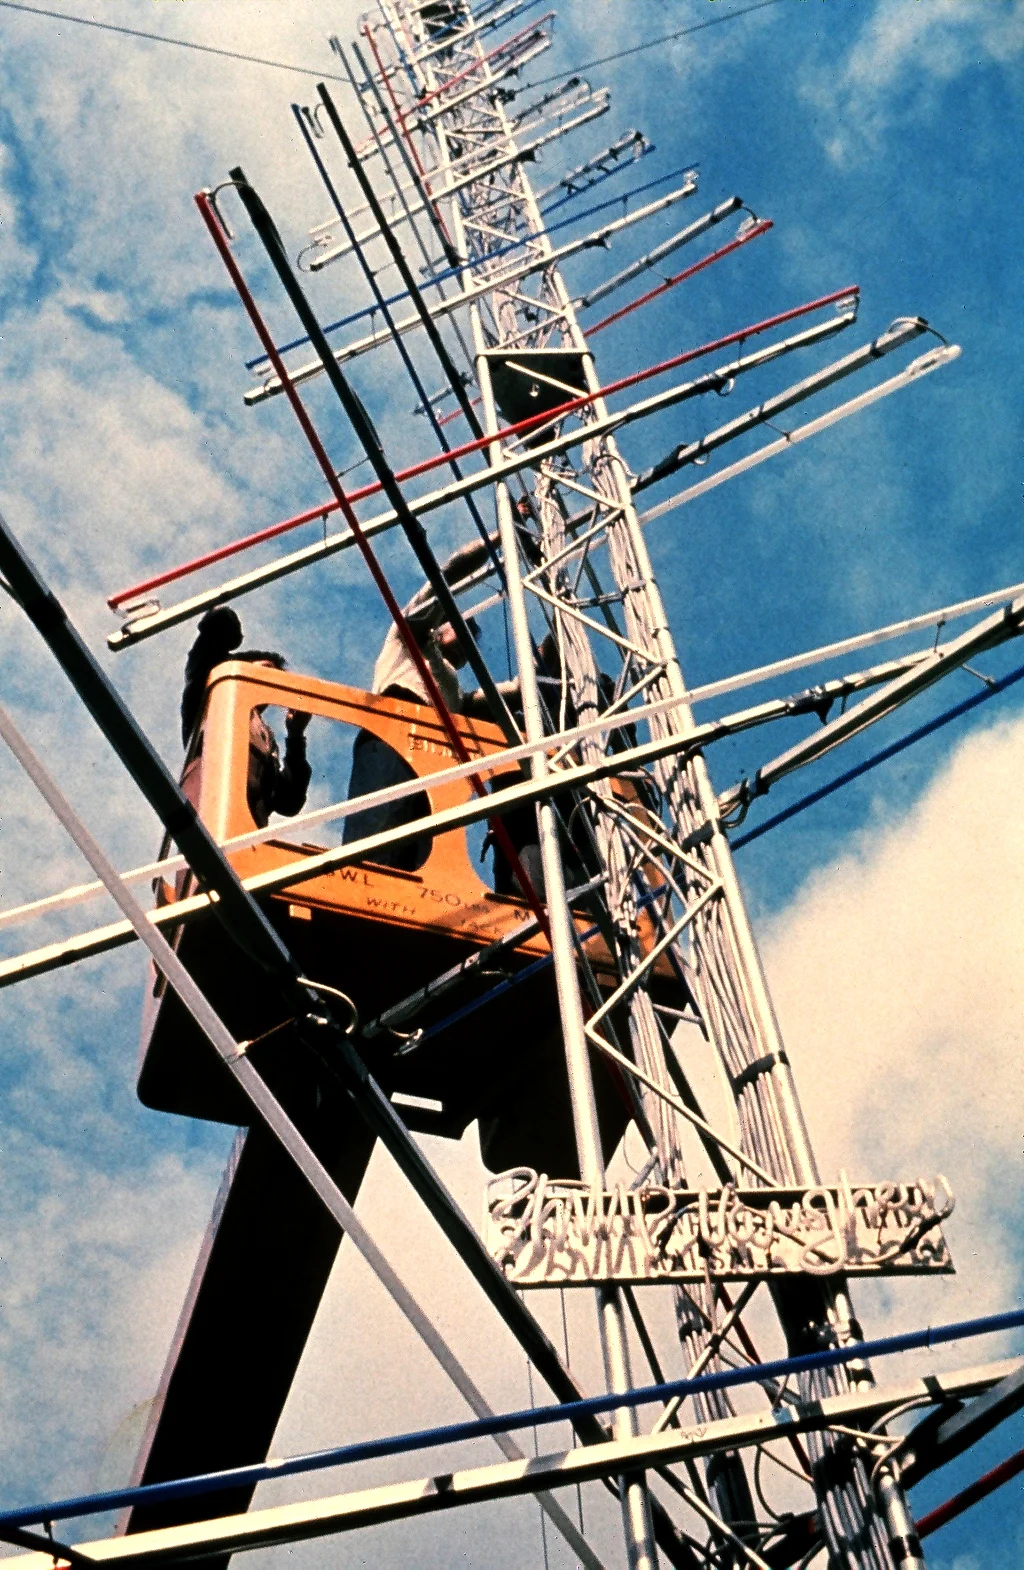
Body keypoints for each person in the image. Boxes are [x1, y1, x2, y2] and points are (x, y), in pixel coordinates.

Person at [343, 534, 513, 870]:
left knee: (416, 850)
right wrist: (498, 538)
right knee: (380, 836)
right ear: (439, 627)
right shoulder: (408, 640)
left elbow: (509, 692)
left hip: (431, 758)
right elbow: (448, 575)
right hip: (392, 735)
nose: (465, 641)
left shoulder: (455, 694)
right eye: (460, 628)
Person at [181, 606, 311, 830]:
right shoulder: (211, 685)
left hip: (249, 832)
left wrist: (296, 735)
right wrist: (233, 641)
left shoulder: (266, 739)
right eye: (266, 673)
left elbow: (289, 802)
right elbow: (218, 622)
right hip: (207, 815)